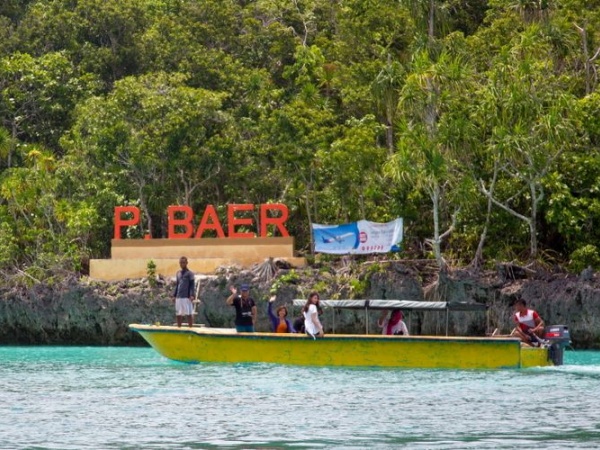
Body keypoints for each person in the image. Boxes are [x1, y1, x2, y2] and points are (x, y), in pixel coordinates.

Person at [172, 256, 195, 328]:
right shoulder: (178, 273)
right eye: (181, 263)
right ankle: (179, 328)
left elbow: (192, 285)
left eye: (183, 263)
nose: (182, 264)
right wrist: (174, 295)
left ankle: (190, 328)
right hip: (179, 296)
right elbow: (177, 285)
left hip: (186, 296)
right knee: (178, 314)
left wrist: (191, 295)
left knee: (189, 313)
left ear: (186, 263)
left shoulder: (190, 273)